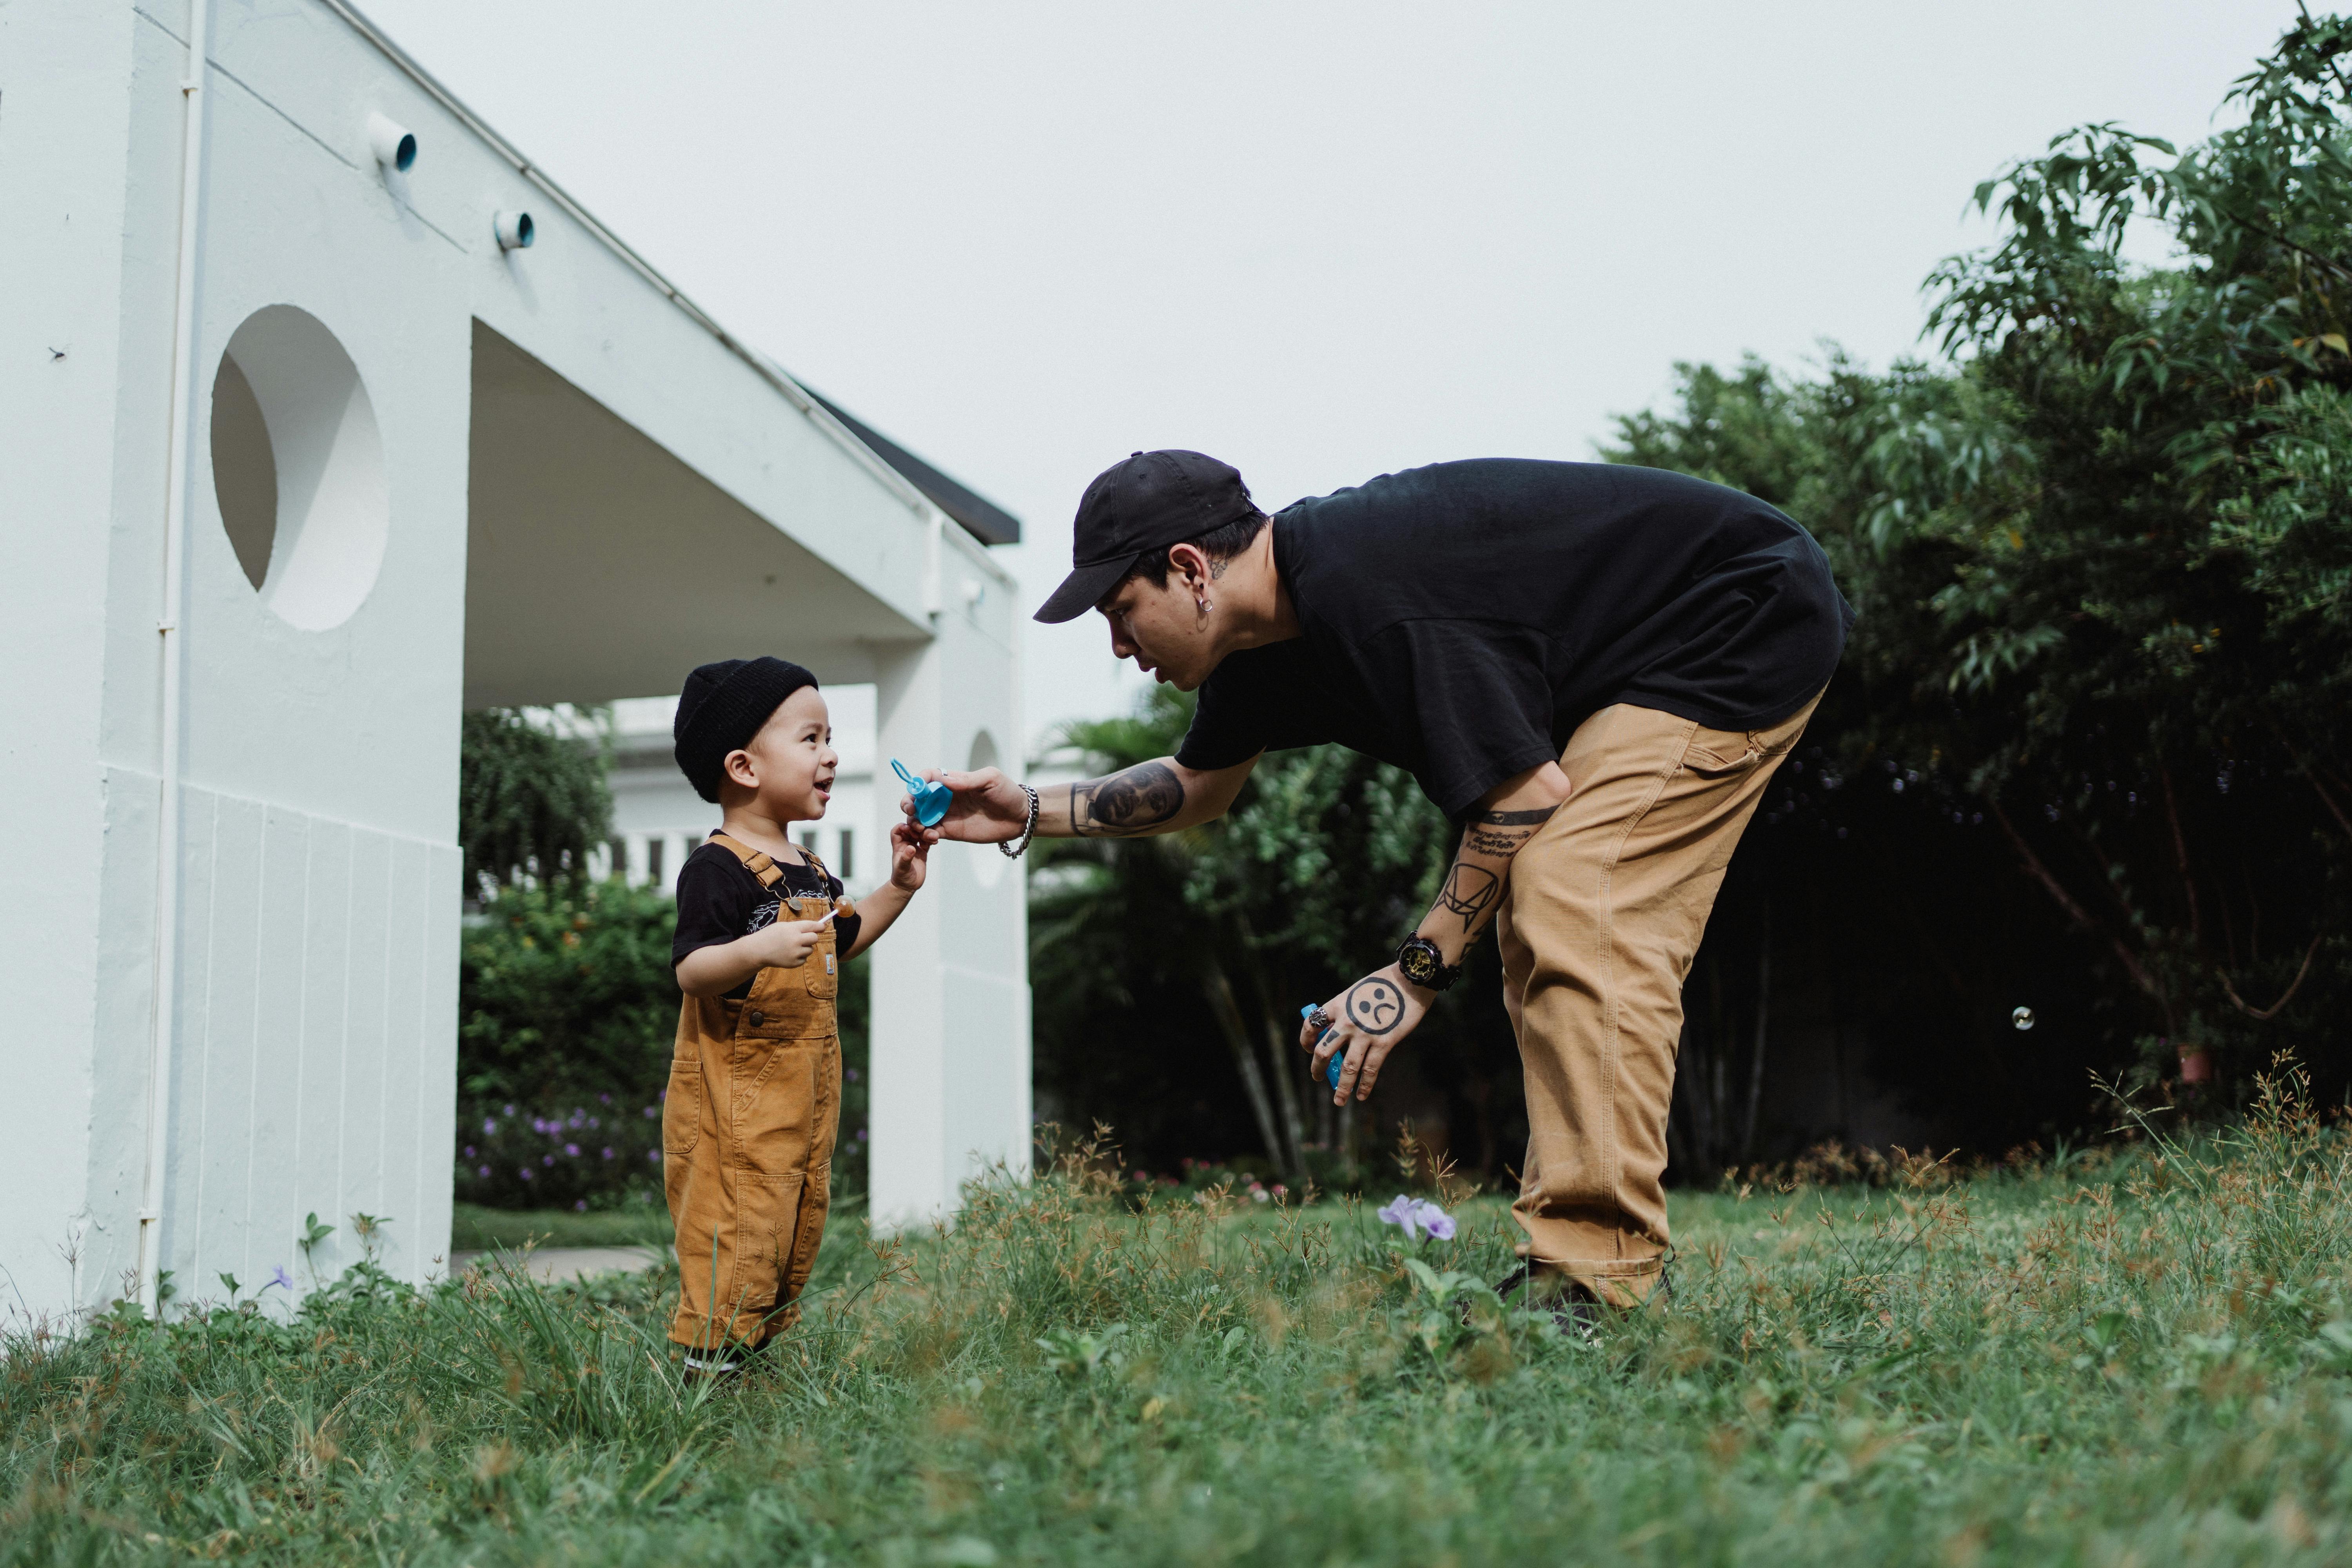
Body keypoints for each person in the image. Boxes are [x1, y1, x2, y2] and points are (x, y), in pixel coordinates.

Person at [917, 451, 1852, 1320]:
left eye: (1121, 609)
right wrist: (1032, 809)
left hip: (1738, 613)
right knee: (1549, 912)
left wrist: (1412, 973)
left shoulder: (1370, 593)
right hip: (1646, 653)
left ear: (1191, 569)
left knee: (1577, 894)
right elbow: (1201, 786)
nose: (1119, 644)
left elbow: (1523, 797)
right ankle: (1574, 1255)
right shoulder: (1258, 644)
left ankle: (1594, 1273)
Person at [664, 656, 935, 1375]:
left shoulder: (810, 870)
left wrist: (899, 888)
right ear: (744, 767)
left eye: (830, 737)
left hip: (801, 1098)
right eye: (811, 739)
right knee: (734, 1228)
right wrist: (757, 948)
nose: (832, 754)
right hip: (731, 1106)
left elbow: (842, 937)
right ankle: (705, 1377)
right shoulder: (716, 868)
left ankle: (752, 1362)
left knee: (787, 1229)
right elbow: (692, 969)